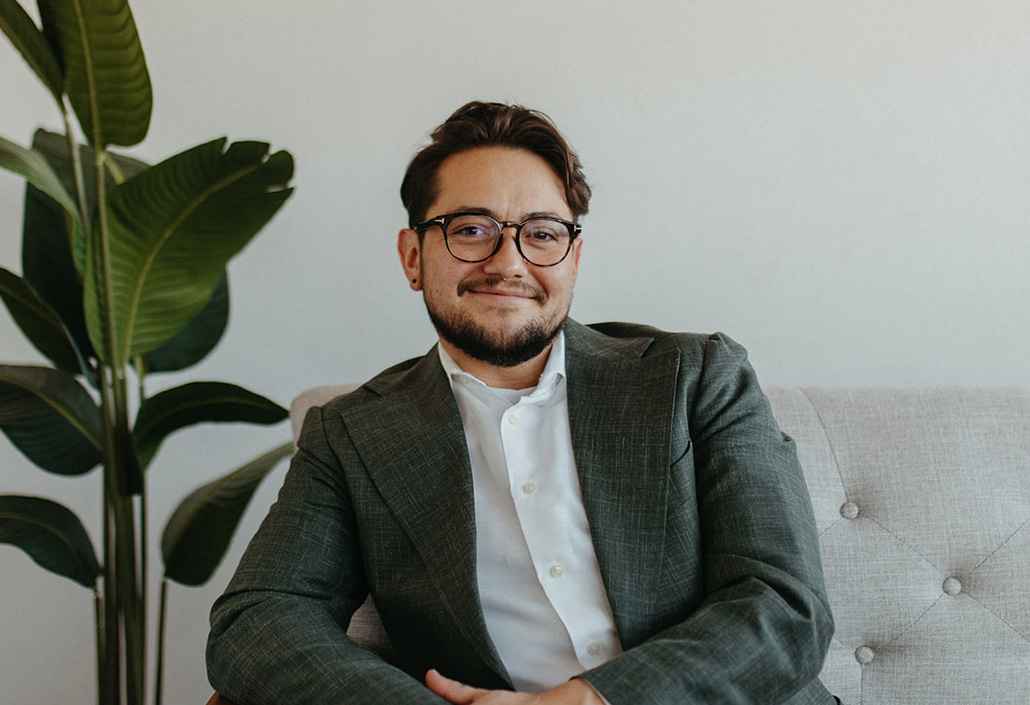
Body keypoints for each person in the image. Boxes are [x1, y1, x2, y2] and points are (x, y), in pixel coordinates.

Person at [206, 101, 842, 705]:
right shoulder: (353, 433)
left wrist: (592, 699)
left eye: (541, 233)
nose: (508, 262)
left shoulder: (696, 377)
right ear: (412, 257)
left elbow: (784, 605)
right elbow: (259, 619)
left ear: (573, 257)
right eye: (472, 229)